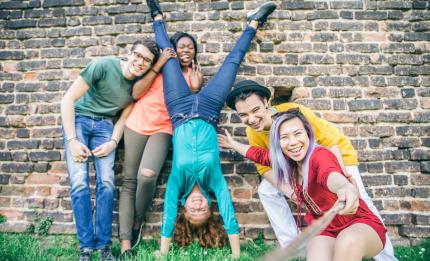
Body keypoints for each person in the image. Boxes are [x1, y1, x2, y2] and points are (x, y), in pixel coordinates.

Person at [145, 0, 277, 258]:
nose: (196, 206)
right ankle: (253, 23)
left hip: (179, 108)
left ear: (184, 207)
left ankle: (156, 16)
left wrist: (162, 254)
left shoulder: (177, 184)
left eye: (191, 211)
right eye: (201, 211)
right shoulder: (215, 180)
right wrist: (237, 256)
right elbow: (228, 215)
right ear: (208, 206)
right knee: (232, 65)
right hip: (209, 110)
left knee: (168, 56)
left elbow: (167, 216)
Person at [219, 80, 397, 261]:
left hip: (333, 156)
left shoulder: (296, 114)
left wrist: (343, 182)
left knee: (358, 200)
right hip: (295, 164)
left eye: (255, 110)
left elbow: (329, 146)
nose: (251, 118)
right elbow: (262, 161)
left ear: (267, 102)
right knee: (266, 190)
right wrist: (293, 193)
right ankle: (292, 247)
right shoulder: (259, 137)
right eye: (244, 115)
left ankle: (385, 256)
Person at [60, 39, 160, 261]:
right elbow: (67, 99)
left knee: (106, 184)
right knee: (80, 183)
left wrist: (114, 141)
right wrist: (72, 140)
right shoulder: (103, 65)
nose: (140, 62)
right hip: (79, 121)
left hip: (106, 126)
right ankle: (86, 247)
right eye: (138, 55)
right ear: (129, 52)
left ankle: (103, 246)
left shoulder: (139, 84)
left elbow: (124, 116)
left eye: (147, 60)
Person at [118, 32, 203, 258]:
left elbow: (189, 111)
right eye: (181, 46)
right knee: (129, 182)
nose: (186, 50)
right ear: (173, 49)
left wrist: (195, 90)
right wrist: (161, 62)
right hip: (136, 124)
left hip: (163, 129)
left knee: (147, 175)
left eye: (190, 47)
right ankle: (126, 244)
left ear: (195, 52)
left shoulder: (192, 75)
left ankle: (137, 221)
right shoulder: (159, 68)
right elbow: (136, 93)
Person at [269, 110, 386, 260]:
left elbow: (330, 174)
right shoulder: (287, 164)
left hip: (359, 223)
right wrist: (231, 143)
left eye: (298, 133)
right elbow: (256, 154)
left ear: (308, 134)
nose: (292, 142)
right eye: (284, 137)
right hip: (325, 229)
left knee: (347, 240)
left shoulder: (319, 155)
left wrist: (344, 187)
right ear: (278, 143)